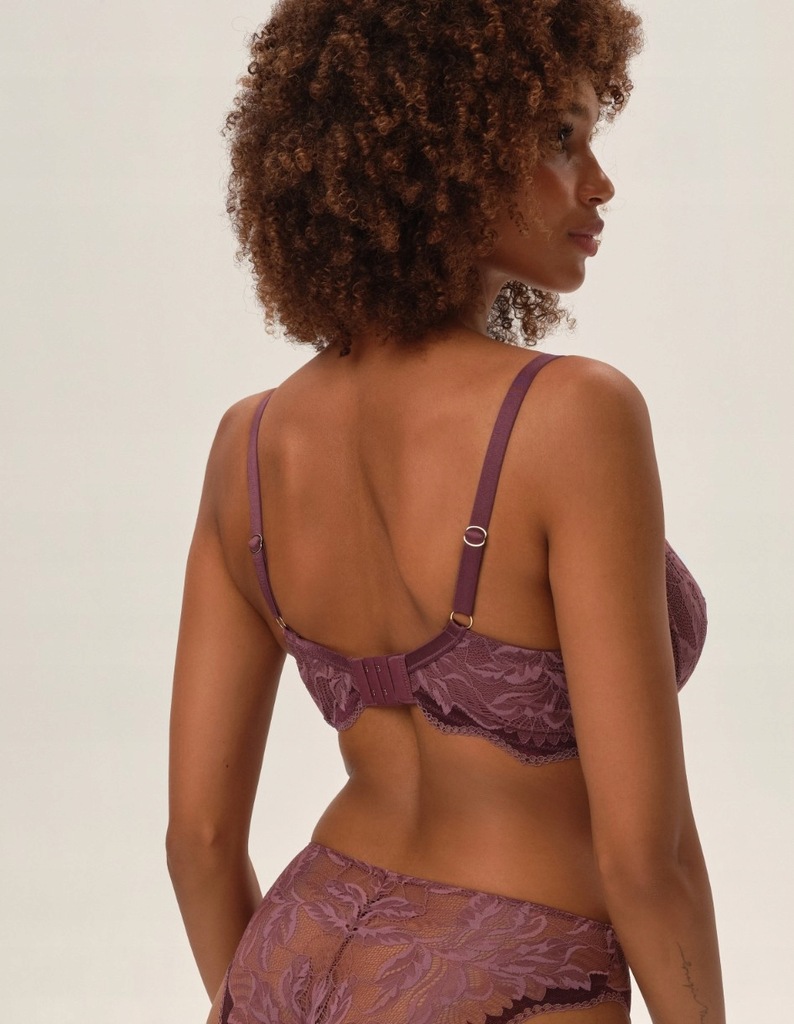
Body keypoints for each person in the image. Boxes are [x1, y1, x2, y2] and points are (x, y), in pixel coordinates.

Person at [167, 0, 726, 1020]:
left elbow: (198, 842)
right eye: (558, 137)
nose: (598, 181)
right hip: (510, 967)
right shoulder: (574, 414)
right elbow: (645, 858)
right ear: (448, 152)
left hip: (288, 950)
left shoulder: (248, 444)